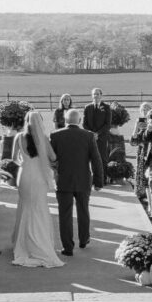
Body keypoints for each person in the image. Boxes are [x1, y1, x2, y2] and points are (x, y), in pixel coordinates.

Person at [8, 111, 64, 268]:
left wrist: (23, 162)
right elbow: (53, 157)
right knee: (39, 208)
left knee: (24, 206)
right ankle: (39, 243)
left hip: (24, 175)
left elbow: (14, 158)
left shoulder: (19, 137)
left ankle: (22, 243)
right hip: (38, 177)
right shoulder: (43, 138)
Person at [49, 108, 104, 257]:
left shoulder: (55, 135)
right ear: (79, 121)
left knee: (64, 214)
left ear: (65, 120)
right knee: (83, 210)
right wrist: (99, 181)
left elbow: (51, 159)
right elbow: (96, 159)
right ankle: (84, 239)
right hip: (83, 179)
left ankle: (68, 247)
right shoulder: (88, 136)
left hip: (63, 180)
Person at [83, 87, 111, 167]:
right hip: (90, 138)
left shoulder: (106, 107)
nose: (95, 96)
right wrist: (92, 134)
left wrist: (97, 134)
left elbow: (107, 124)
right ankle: (93, 178)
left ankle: (104, 178)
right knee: (91, 159)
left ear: (101, 95)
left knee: (102, 159)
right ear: (92, 96)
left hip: (102, 138)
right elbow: (84, 124)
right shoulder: (87, 107)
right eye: (94, 94)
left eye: (97, 94)